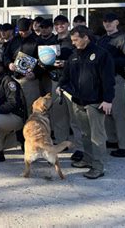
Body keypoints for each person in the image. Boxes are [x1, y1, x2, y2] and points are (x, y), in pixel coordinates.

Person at [58, 25, 115, 179]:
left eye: (76, 40)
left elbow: (109, 80)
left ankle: (98, 167)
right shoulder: (74, 55)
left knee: (97, 136)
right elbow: (66, 74)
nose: (73, 43)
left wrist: (108, 100)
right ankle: (88, 159)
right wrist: (61, 85)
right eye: (72, 40)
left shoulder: (101, 54)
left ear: (85, 37)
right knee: (85, 134)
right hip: (78, 101)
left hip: (96, 102)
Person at [98, 12, 125, 157]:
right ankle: (113, 139)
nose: (108, 24)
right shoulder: (102, 39)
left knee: (119, 112)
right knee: (107, 112)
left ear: (116, 22)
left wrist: (111, 62)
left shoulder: (123, 38)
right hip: (103, 80)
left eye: (111, 21)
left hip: (116, 78)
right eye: (105, 21)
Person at [49, 15, 84, 162]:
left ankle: (80, 148)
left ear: (68, 24)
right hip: (55, 80)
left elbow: (81, 58)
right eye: (56, 24)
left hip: (72, 82)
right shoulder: (52, 41)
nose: (59, 26)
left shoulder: (74, 39)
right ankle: (61, 143)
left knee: (75, 117)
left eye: (62, 24)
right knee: (58, 114)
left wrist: (66, 63)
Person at [4, 18, 41, 116]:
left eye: (25, 31)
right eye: (20, 31)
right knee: (16, 105)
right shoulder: (14, 40)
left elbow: (42, 62)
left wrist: (35, 73)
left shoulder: (37, 41)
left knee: (31, 106)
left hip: (29, 79)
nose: (22, 33)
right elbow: (6, 55)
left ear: (30, 27)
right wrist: (9, 64)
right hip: (14, 77)